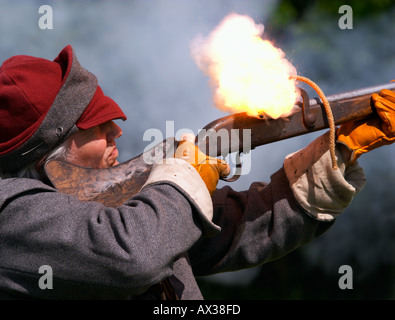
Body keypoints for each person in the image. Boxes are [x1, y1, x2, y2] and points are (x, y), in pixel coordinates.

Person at [0, 45, 394, 300]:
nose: (115, 130)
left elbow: (240, 227)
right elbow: (132, 255)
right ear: (48, 155)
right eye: (96, 128)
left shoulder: (128, 210)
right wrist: (187, 170)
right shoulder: (11, 214)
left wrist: (337, 153)